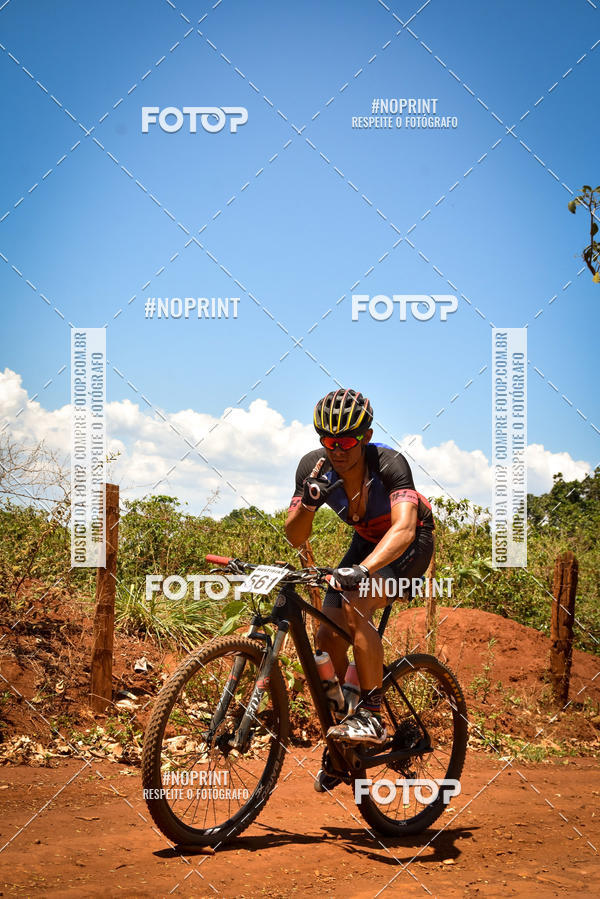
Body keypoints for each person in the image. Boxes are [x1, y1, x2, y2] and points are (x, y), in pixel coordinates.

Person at [285, 389, 435, 748]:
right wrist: (308, 502)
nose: (337, 449)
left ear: (365, 436)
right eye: (329, 440)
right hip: (367, 539)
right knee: (326, 635)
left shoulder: (388, 464)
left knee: (357, 600)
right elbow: (294, 534)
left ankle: (372, 715)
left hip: (410, 542)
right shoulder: (314, 468)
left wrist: (365, 570)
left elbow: (403, 528)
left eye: (347, 440)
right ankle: (345, 728)